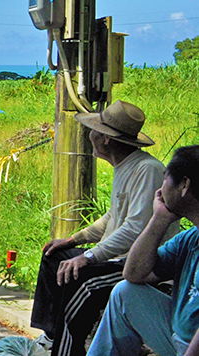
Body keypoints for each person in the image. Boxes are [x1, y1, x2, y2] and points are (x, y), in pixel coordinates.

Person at [30, 100, 178, 356]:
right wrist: (74, 241)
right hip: (116, 258)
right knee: (53, 256)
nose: (90, 135)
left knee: (83, 284)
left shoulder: (147, 169)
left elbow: (135, 230)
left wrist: (89, 256)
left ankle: (68, 350)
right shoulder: (125, 167)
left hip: (137, 264)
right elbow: (113, 217)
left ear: (106, 139)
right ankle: (53, 336)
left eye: (94, 130)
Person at [85, 145, 199, 356]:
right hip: (178, 337)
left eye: (165, 179)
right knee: (125, 292)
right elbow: (135, 273)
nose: (160, 189)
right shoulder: (190, 239)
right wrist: (159, 219)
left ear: (184, 185)